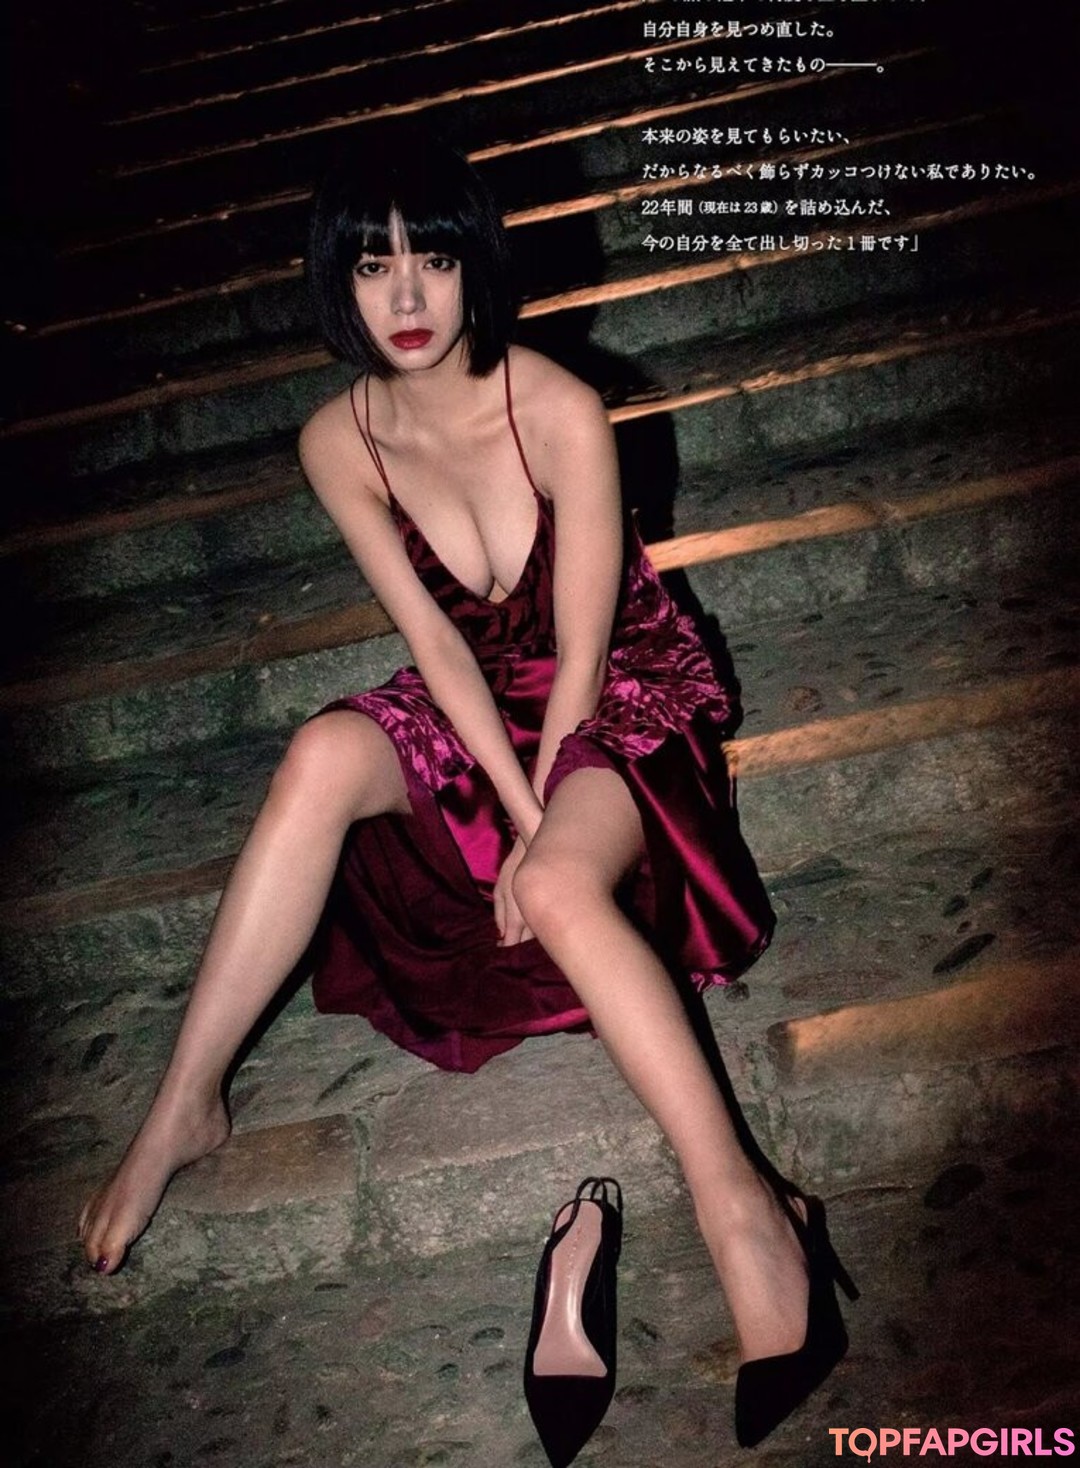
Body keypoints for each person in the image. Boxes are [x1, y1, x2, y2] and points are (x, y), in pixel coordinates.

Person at [78, 129, 853, 1448]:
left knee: (556, 883)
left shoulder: (558, 407)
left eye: (433, 258)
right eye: (371, 264)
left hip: (615, 691)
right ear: (335, 280)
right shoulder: (338, 441)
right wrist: (506, 807)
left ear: (475, 263)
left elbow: (588, 650)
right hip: (478, 701)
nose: (407, 296)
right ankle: (179, 1108)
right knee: (322, 751)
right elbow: (437, 647)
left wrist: (538, 830)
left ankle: (746, 1207)